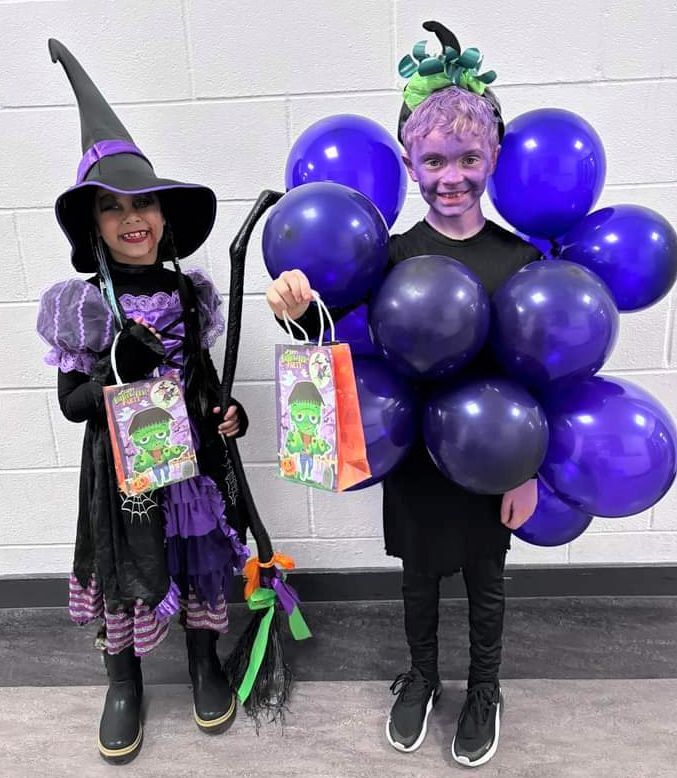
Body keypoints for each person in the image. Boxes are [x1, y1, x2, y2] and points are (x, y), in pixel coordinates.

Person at [265, 22, 541, 769]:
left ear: (491, 159)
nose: (451, 174)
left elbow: (535, 370)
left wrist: (524, 470)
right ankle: (420, 676)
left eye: (468, 157)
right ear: (411, 165)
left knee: (486, 584)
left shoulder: (519, 256)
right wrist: (298, 310)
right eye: (433, 159)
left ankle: (484, 687)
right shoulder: (388, 256)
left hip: (490, 458)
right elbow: (339, 346)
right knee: (417, 581)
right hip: (414, 454)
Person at [36, 40, 250, 764]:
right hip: (121, 472)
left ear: (163, 214)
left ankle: (202, 662)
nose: (134, 219)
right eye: (113, 208)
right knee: (127, 569)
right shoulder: (82, 304)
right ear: (92, 225)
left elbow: (204, 380)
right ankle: (122, 677)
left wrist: (227, 412)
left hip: (188, 463)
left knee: (193, 559)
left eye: (144, 203)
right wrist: (118, 386)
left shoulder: (190, 293)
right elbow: (70, 402)